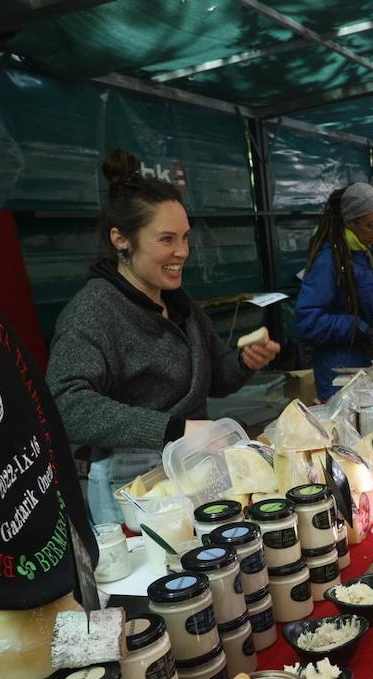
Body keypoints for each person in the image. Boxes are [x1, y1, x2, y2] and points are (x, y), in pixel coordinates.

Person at [46, 150, 281, 523]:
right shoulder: (93, 311)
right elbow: (66, 403)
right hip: (135, 489)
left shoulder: (179, 304)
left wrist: (242, 362)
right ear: (121, 240)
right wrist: (173, 429)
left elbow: (216, 379)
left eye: (185, 238)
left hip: (194, 466)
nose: (183, 252)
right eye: (167, 239)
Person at [294, 182, 373, 401]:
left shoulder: (363, 253)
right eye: (371, 224)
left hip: (362, 364)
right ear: (351, 223)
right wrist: (355, 327)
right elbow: (308, 321)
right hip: (339, 374)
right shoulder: (329, 260)